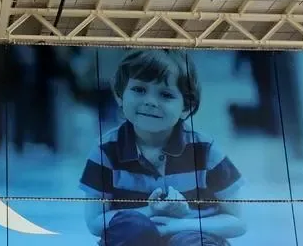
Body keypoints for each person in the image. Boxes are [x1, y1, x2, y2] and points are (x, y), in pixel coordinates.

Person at [79, 50, 247, 246]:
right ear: (119, 95)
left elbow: (238, 222)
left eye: (166, 94)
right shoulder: (105, 150)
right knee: (132, 228)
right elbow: (94, 222)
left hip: (192, 233)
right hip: (135, 237)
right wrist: (152, 211)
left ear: (187, 107)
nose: (150, 101)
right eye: (139, 90)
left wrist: (178, 225)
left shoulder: (205, 150)